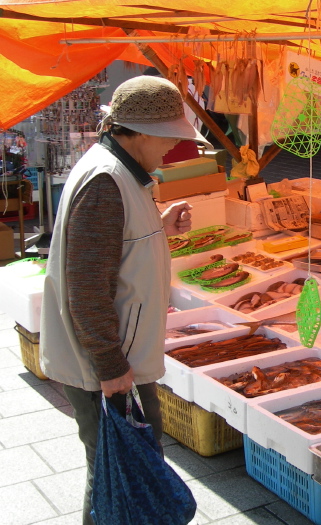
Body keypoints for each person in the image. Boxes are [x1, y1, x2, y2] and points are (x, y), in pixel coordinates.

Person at [40, 75, 212, 524]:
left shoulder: (123, 172)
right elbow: (86, 284)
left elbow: (115, 246)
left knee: (122, 467)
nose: (172, 148)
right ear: (136, 131)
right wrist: (111, 365)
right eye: (167, 137)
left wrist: (161, 223)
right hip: (109, 364)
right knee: (114, 470)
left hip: (121, 356)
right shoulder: (105, 180)